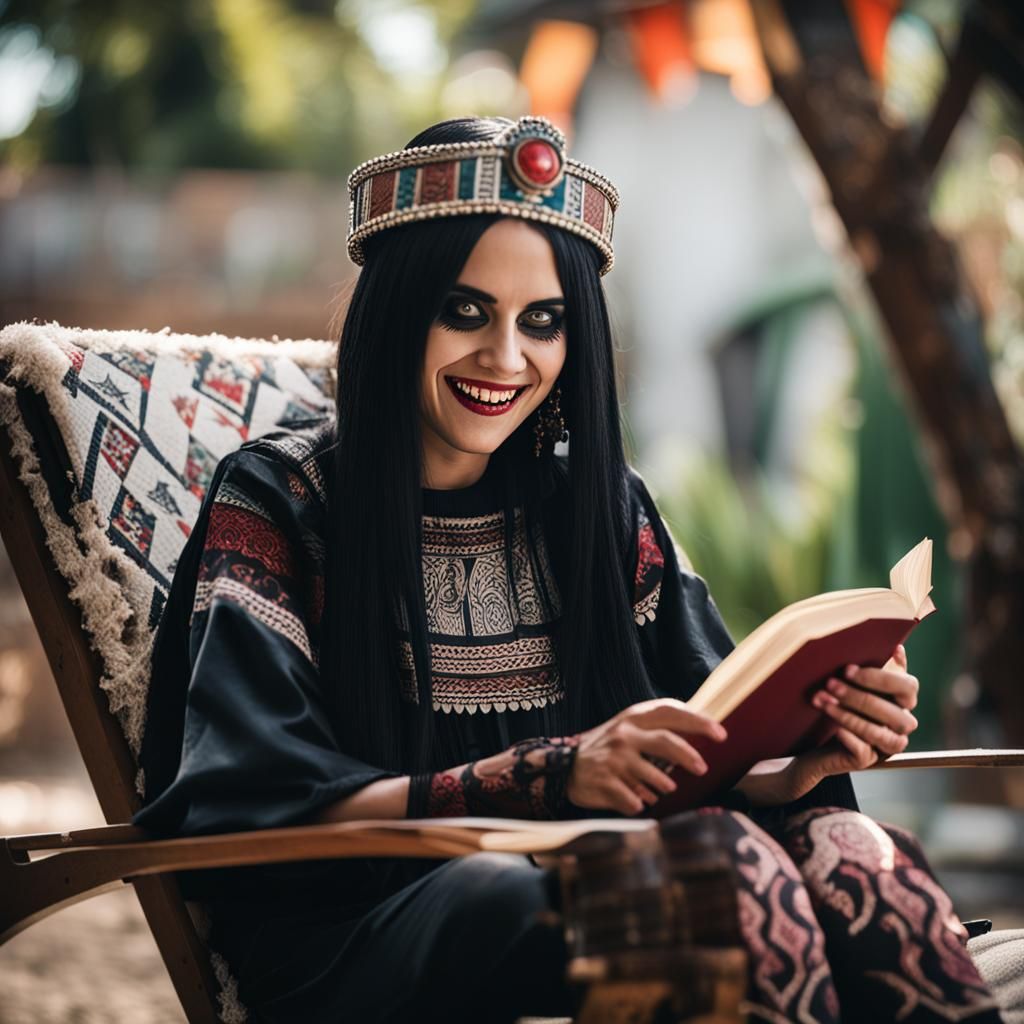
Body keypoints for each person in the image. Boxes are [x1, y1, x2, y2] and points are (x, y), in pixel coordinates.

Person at [133, 115, 1006, 1023]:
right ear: (397, 308)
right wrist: (551, 774)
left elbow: (701, 755)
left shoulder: (599, 508)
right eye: (464, 311)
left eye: (543, 321)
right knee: (702, 877)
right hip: (358, 935)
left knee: (852, 853)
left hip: (601, 880)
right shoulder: (279, 499)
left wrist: (796, 762)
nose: (506, 357)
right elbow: (255, 800)